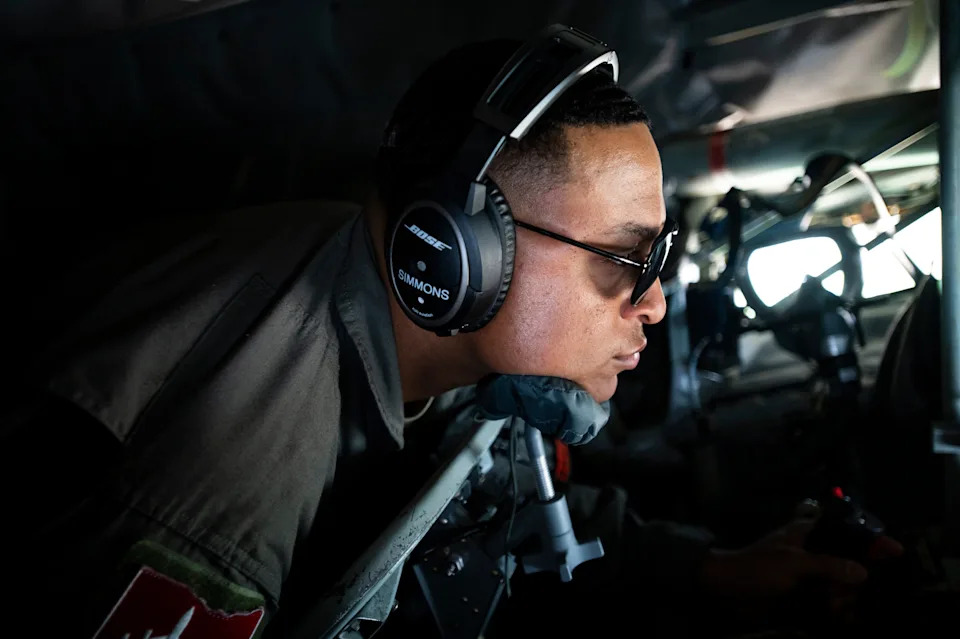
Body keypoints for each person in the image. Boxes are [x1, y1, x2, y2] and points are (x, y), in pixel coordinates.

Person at [1, 27, 898, 639]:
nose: (655, 301)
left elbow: (492, 494)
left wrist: (710, 572)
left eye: (658, 256)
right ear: (460, 249)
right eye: (625, 258)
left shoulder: (430, 325)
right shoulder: (220, 496)